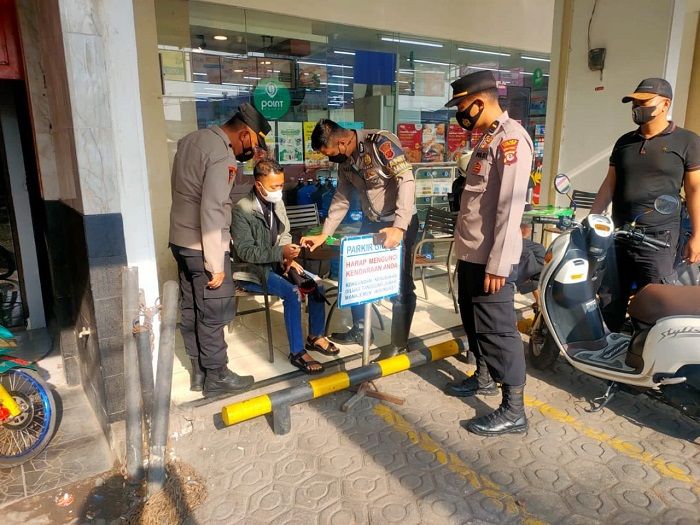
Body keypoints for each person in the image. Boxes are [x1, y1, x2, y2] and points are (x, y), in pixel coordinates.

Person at [443, 71, 533, 436]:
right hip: (472, 254)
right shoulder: (487, 139)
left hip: (491, 259)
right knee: (473, 320)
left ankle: (514, 410)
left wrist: (498, 263)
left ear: (480, 100)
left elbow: (509, 209)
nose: (460, 113)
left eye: (463, 105)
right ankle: (482, 377)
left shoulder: (511, 140)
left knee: (498, 330)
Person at [169, 103, 270, 397]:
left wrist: (254, 183)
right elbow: (213, 207)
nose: (249, 151)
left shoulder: (192, 140)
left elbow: (207, 192)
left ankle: (198, 373)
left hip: (181, 241)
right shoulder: (221, 153)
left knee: (192, 310)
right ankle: (217, 376)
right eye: (253, 143)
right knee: (214, 312)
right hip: (204, 246)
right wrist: (215, 262)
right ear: (245, 134)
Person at [301, 119, 418, 361]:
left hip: (398, 221)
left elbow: (406, 179)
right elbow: (342, 196)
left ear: (343, 142)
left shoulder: (380, 143)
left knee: (401, 283)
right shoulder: (346, 162)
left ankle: (399, 342)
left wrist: (399, 227)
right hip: (372, 221)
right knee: (356, 273)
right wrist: (325, 232)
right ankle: (361, 330)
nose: (330, 159)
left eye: (330, 153)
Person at [591, 78, 700, 332]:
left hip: (658, 240)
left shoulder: (687, 141)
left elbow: (695, 190)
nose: (637, 107)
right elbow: (609, 184)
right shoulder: (624, 142)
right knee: (609, 298)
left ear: (665, 104)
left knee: (655, 304)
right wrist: (592, 219)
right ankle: (611, 354)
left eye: (643, 102)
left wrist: (697, 235)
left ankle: (646, 360)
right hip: (619, 236)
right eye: (634, 102)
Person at [231, 159, 338, 374]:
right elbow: (245, 252)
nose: (279, 191)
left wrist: (290, 257)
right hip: (252, 271)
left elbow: (285, 233)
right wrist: (281, 253)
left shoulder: (277, 202)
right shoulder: (241, 210)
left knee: (317, 285)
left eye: (281, 185)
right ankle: (297, 353)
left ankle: (315, 336)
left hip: (278, 262)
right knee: (292, 292)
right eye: (274, 187)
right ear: (259, 185)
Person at [517, 212, 545, 307]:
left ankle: (538, 299)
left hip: (521, 229)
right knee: (528, 255)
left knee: (540, 249)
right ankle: (528, 280)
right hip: (512, 235)